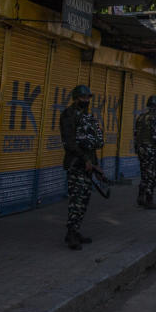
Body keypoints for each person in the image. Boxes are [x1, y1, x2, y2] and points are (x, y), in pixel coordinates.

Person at [60, 85, 104, 250]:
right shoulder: (69, 115)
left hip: (87, 165)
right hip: (76, 164)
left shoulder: (85, 116)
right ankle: (71, 234)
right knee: (76, 201)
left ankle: (76, 230)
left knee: (84, 200)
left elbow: (91, 146)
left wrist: (96, 166)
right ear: (76, 98)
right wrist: (85, 159)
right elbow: (69, 143)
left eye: (87, 98)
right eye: (83, 98)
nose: (86, 101)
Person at [134, 95, 156, 209]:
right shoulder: (154, 118)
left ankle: (140, 197)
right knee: (152, 175)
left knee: (144, 174)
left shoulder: (141, 117)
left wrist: (138, 148)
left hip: (141, 150)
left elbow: (136, 135)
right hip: (151, 150)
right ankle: (149, 200)